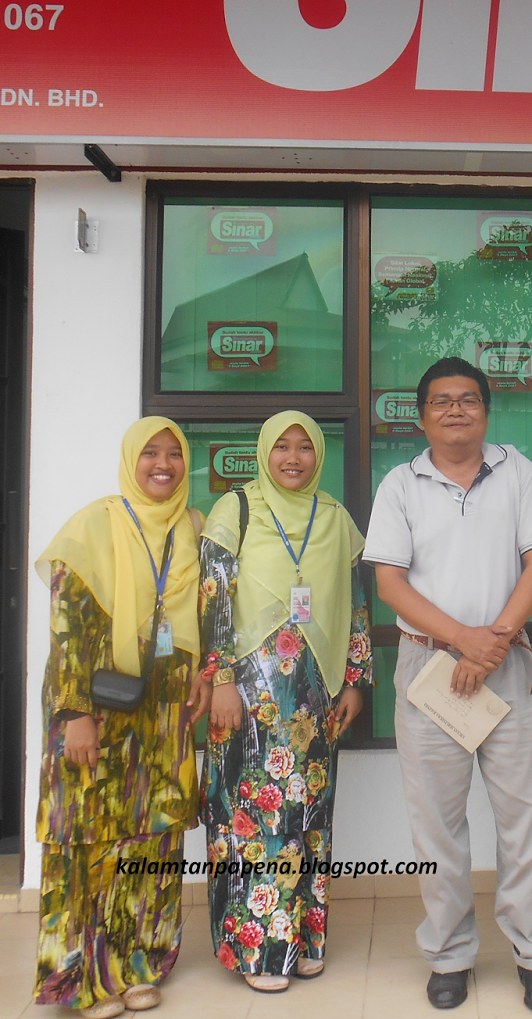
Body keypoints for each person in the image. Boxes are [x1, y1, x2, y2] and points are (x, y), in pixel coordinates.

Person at [363, 356, 532, 1015]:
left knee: (523, 822)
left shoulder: (518, 472)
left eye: (468, 399)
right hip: (428, 671)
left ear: (486, 410)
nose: (455, 409)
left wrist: (492, 643)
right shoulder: (400, 484)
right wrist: (462, 639)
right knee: (437, 827)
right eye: (441, 401)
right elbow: (389, 583)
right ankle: (449, 955)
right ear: (421, 416)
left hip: (505, 667)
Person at [33, 418, 212, 1019]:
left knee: (153, 839)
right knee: (86, 838)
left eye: (174, 454)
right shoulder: (93, 525)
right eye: (150, 453)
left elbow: (210, 614)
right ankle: (82, 978)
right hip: (97, 706)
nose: (163, 465)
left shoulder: (192, 528)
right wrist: (74, 713)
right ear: (130, 461)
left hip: (164, 713)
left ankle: (139, 964)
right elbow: (67, 629)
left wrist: (207, 675)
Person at [199, 411, 375, 991]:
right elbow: (213, 600)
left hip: (314, 694)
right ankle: (256, 953)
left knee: (308, 817)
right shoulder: (236, 510)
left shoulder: (335, 518)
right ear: (264, 453)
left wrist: (355, 680)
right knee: (252, 816)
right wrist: (220, 679)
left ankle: (301, 940)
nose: (293, 458)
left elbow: (355, 603)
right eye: (282, 446)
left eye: (305, 447)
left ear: (319, 455)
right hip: (247, 693)